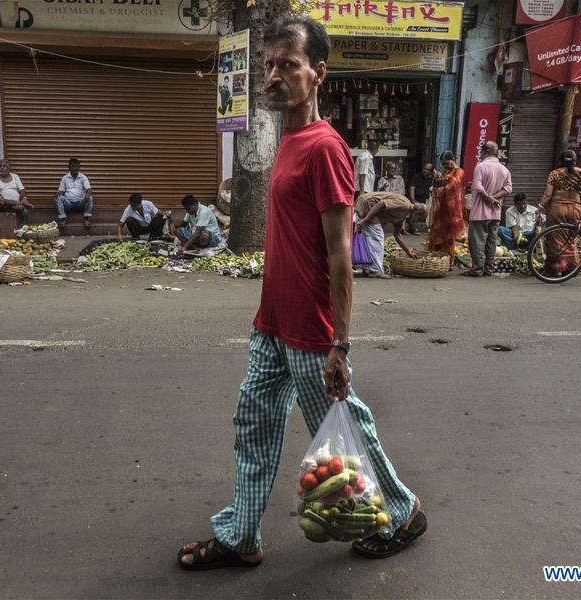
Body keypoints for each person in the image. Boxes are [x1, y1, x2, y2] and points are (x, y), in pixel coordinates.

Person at [178, 14, 424, 571]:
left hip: (312, 331)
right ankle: (241, 537)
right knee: (254, 425)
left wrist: (342, 343)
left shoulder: (323, 148)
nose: (273, 75)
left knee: (344, 428)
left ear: (318, 73)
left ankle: (403, 510)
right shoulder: (287, 141)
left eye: (287, 65)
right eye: (268, 65)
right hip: (272, 323)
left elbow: (341, 252)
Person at [462, 141, 511, 277]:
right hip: (495, 212)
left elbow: (478, 187)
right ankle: (488, 269)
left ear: (485, 151)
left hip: (479, 212)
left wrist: (489, 198)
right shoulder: (504, 169)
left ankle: (477, 269)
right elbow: (508, 188)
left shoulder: (481, 167)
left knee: (477, 241)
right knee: (491, 241)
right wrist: (495, 198)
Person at [539, 150, 581, 275]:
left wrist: (540, 207)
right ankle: (571, 267)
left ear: (560, 161)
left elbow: (548, 194)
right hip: (575, 209)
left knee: (555, 238)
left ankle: (556, 268)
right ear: (575, 161)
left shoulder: (555, 174)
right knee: (571, 238)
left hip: (557, 208)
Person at [354, 192, 425, 277]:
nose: (418, 221)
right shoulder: (404, 205)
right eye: (419, 218)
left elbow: (397, 235)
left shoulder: (403, 215)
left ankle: (368, 268)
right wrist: (365, 220)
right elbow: (381, 203)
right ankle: (375, 271)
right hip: (368, 204)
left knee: (370, 239)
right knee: (377, 237)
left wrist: (408, 252)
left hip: (368, 205)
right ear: (416, 213)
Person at [425, 151, 466, 263]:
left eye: (446, 163)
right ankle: (436, 258)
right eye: (443, 164)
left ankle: (448, 260)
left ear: (452, 160)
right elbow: (438, 185)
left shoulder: (459, 171)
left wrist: (444, 180)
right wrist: (439, 179)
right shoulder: (447, 173)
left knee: (448, 237)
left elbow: (453, 184)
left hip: (452, 211)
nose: (445, 166)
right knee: (438, 233)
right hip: (442, 209)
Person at [55, 158, 93, 228]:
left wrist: (87, 194)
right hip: (68, 204)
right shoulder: (65, 178)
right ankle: (63, 220)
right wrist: (58, 194)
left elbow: (89, 189)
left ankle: (86, 219)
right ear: (69, 167)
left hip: (80, 204)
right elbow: (61, 191)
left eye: (77, 166)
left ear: (79, 167)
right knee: (58, 198)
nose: (75, 168)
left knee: (90, 197)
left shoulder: (83, 177)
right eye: (73, 166)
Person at [0, 159, 32, 225]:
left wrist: (24, 198)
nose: (2, 168)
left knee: (23, 210)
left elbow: (21, 189)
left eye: (4, 166)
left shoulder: (15, 176)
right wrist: (14, 202)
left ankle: (23, 228)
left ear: (9, 168)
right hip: (3, 204)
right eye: (0, 166)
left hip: (12, 205)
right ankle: (16, 204)